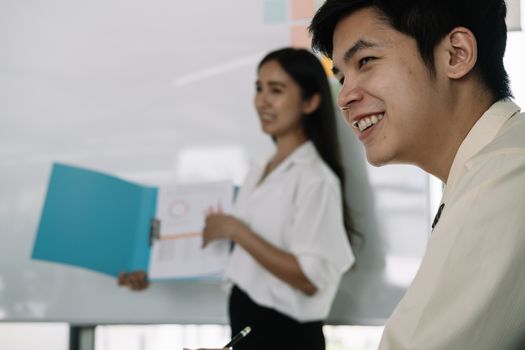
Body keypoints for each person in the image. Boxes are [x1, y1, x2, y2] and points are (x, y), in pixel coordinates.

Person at [308, 1, 525, 349]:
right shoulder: (486, 167)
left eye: (366, 61)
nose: (345, 97)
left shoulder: (505, 174)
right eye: (342, 76)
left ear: (455, 54)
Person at [121, 47, 357, 350]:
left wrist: (237, 231)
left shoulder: (316, 179)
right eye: (259, 88)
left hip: (287, 338)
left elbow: (309, 279)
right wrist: (151, 269)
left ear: (310, 101)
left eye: (276, 90)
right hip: (250, 330)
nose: (262, 101)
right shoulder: (260, 168)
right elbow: (242, 264)